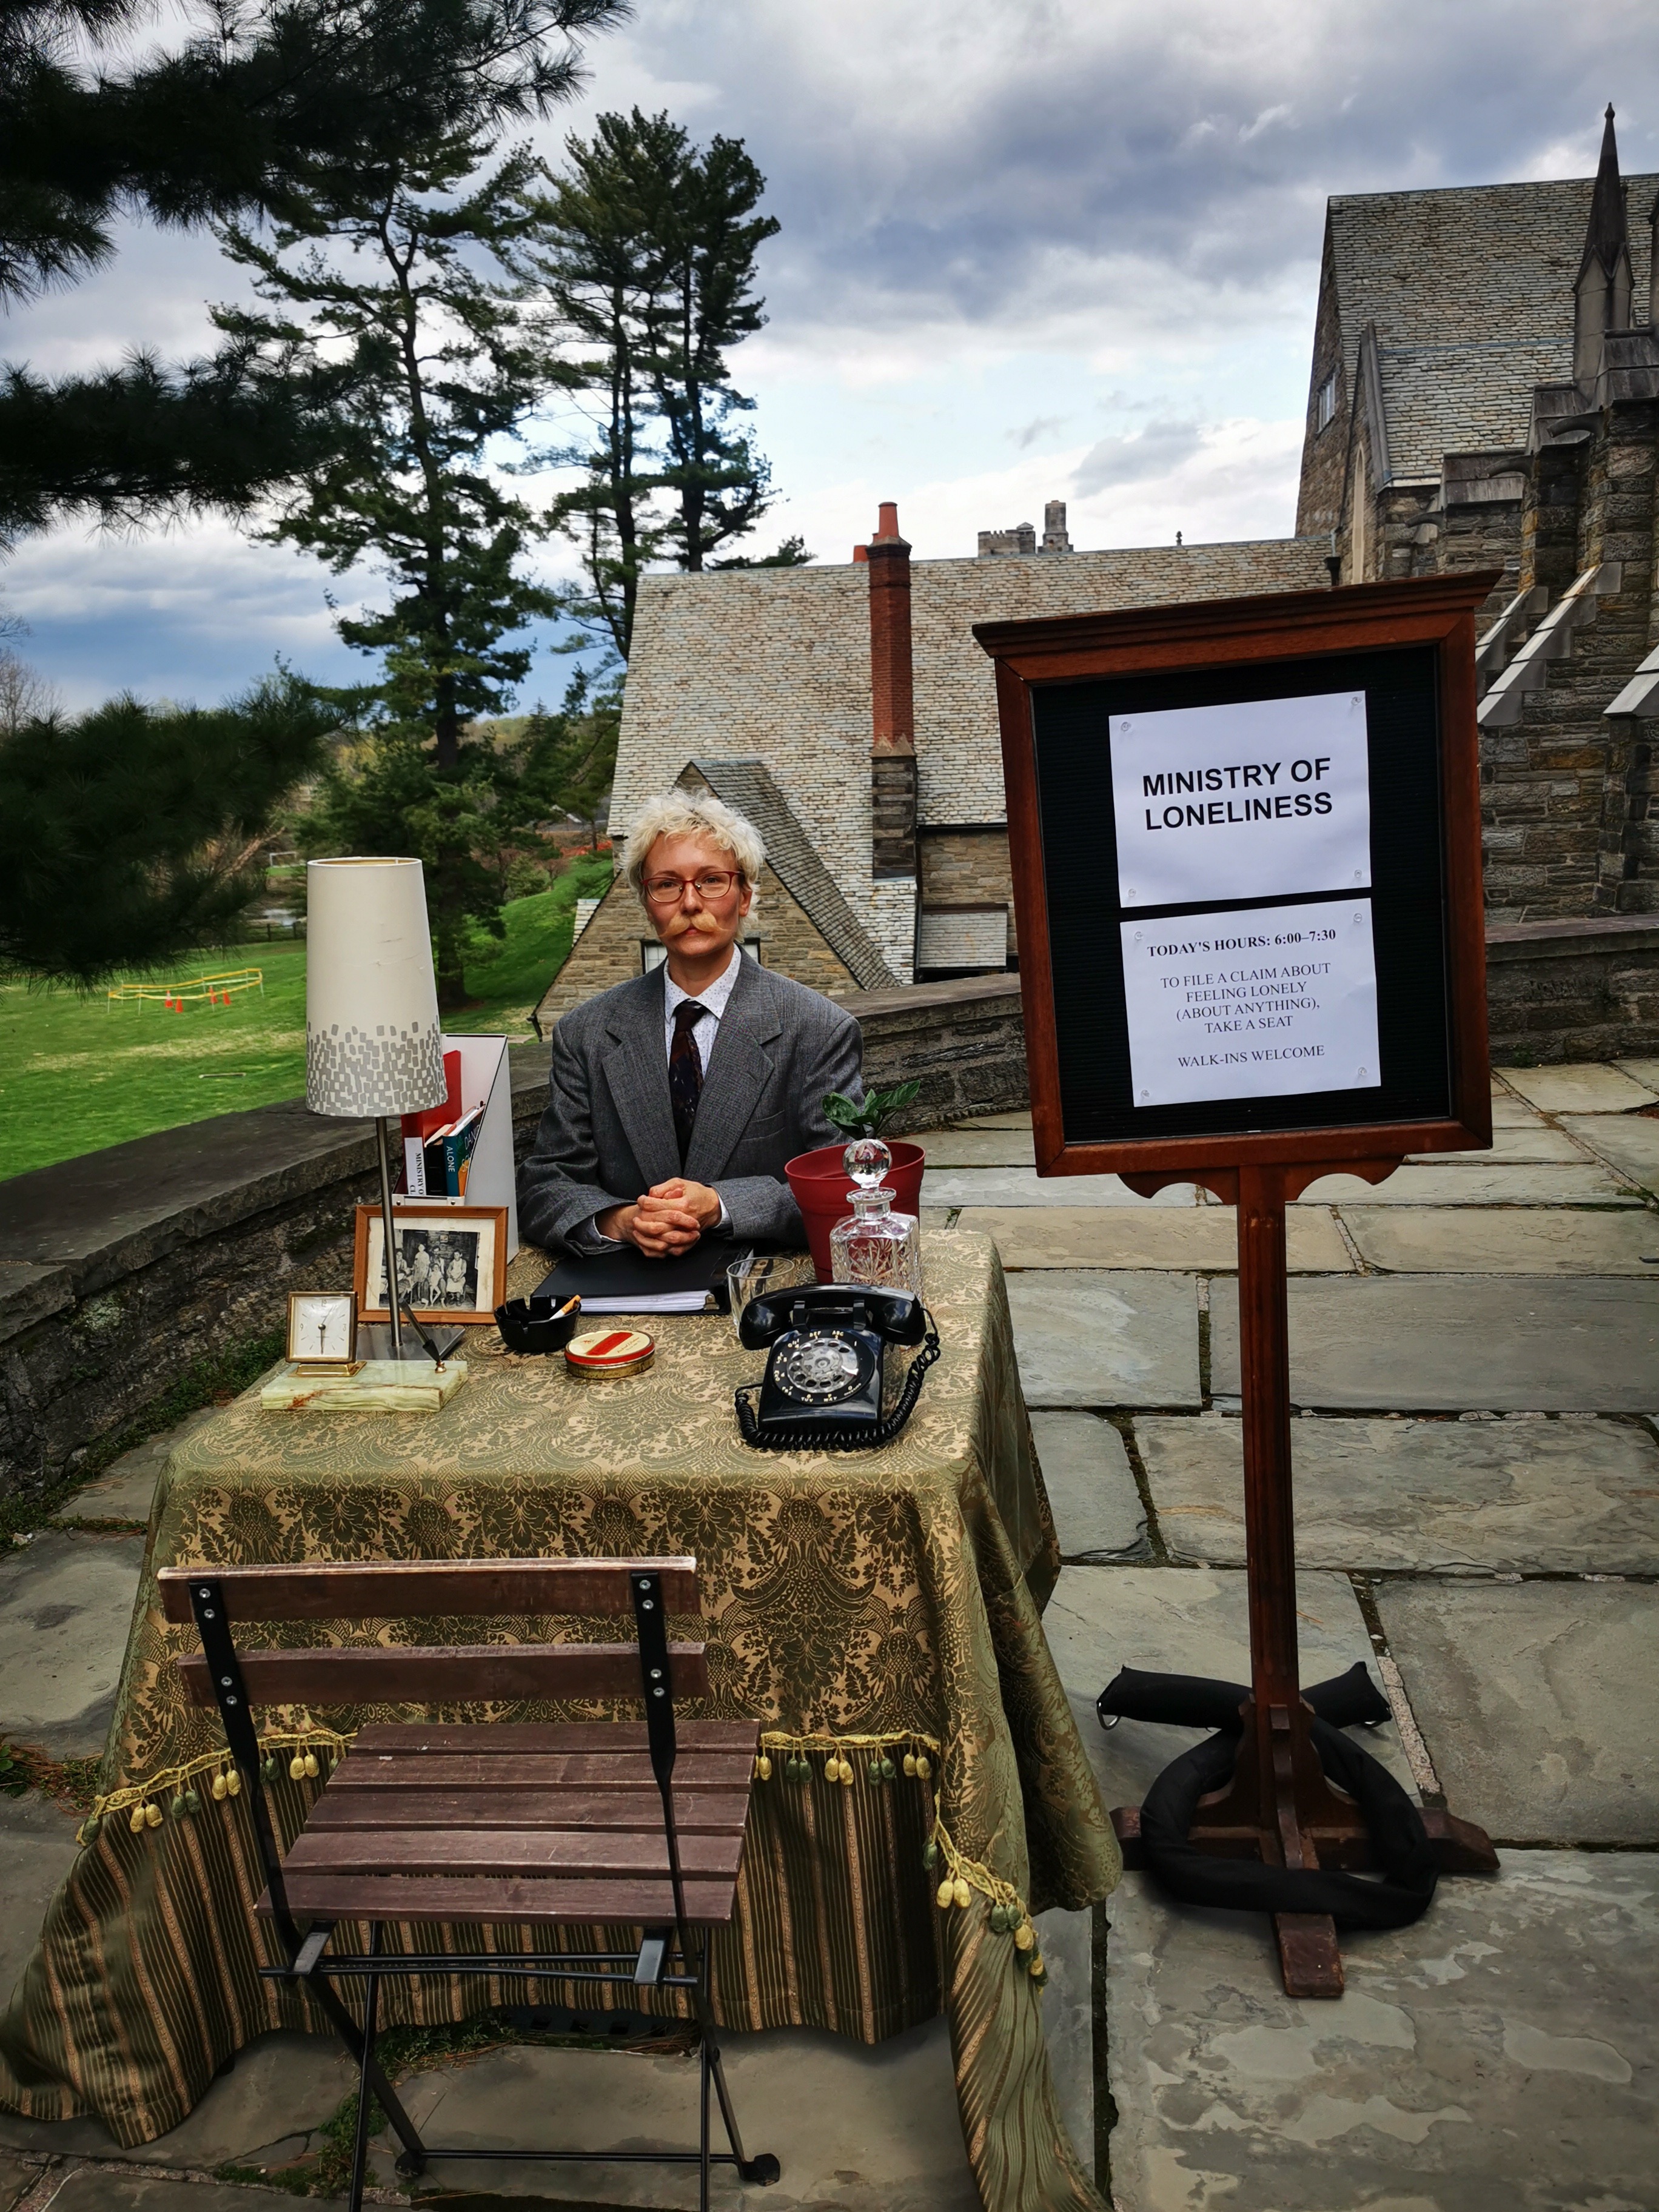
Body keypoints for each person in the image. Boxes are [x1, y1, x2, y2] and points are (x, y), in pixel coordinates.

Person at [518, 792, 863, 1258]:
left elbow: (845, 1186)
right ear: (646, 901)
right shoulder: (585, 1034)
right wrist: (621, 1221)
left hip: (764, 1286)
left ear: (745, 897)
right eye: (667, 885)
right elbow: (547, 1184)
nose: (690, 903)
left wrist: (721, 1204)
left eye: (712, 881)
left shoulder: (819, 1029)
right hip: (624, 1289)